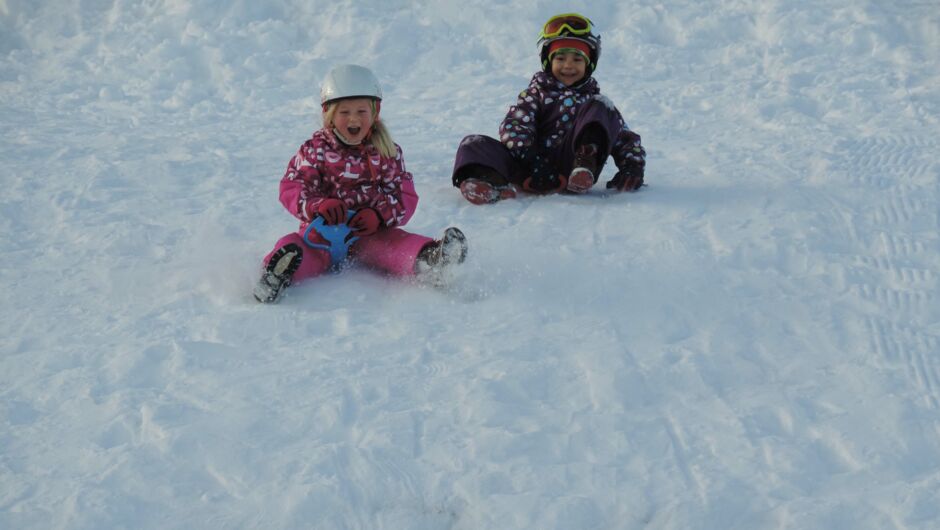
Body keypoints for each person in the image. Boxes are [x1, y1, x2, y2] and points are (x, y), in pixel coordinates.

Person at [254, 64, 468, 303]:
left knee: (394, 244)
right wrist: (317, 205)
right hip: (319, 235)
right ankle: (275, 276)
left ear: (375, 113)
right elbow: (293, 186)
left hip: (367, 235)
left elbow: (403, 195)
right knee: (296, 248)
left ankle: (430, 261)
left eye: (361, 111)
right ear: (329, 115)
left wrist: (379, 215)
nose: (353, 118)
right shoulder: (315, 151)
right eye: (344, 112)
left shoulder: (387, 152)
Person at [452, 13, 646, 204]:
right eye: (560, 58)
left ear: (589, 64)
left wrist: (632, 166)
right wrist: (532, 160)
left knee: (603, 105)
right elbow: (514, 127)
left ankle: (584, 166)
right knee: (473, 143)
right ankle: (488, 182)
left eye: (577, 59)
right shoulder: (536, 94)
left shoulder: (593, 104)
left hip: (570, 167)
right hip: (530, 169)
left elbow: (623, 136)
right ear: (548, 61)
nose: (568, 65)